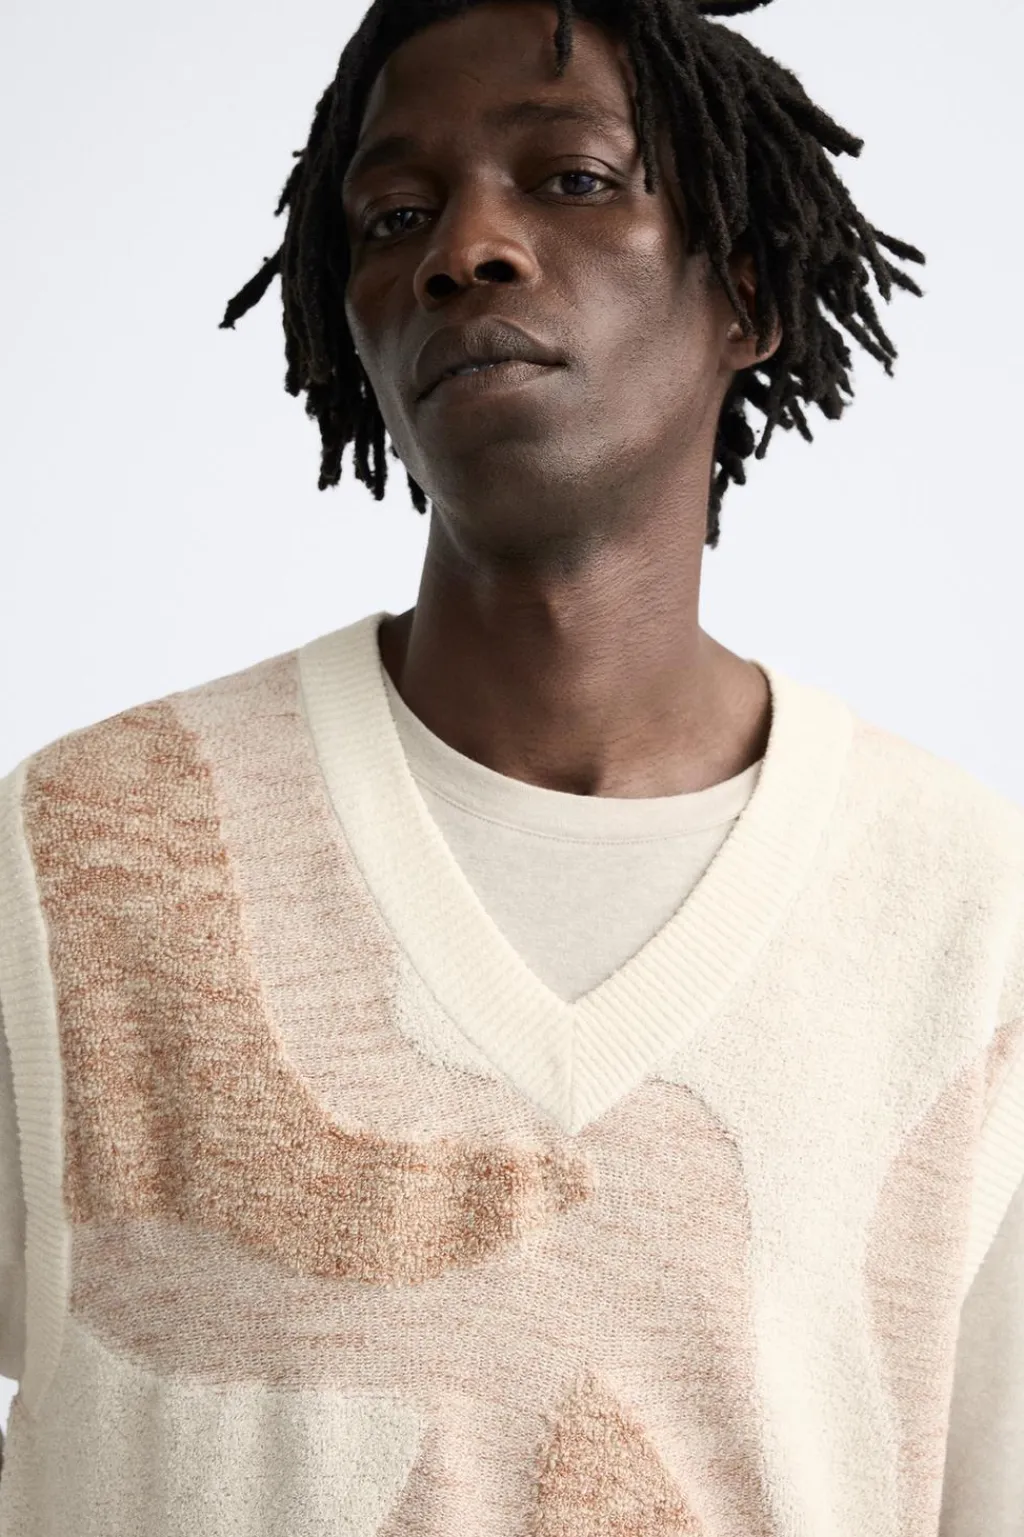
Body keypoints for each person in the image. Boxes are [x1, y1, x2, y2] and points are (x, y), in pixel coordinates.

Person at [0, 0, 1021, 1531]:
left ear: (744, 291)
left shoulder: (966, 908)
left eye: (573, 179)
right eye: (394, 217)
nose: (464, 249)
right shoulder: (82, 852)